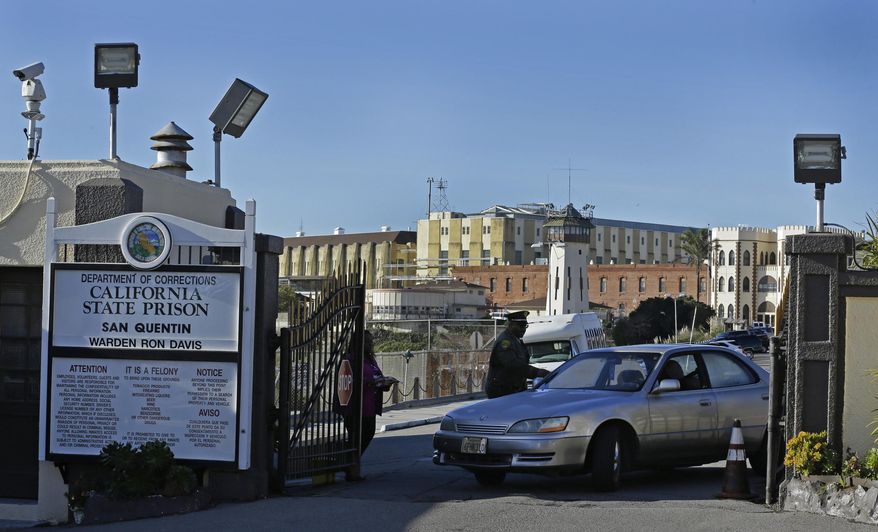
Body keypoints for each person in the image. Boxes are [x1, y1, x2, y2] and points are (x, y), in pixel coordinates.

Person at [344, 330, 397, 480]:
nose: (369, 344)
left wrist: (384, 383)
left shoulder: (370, 360)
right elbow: (349, 381)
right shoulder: (351, 359)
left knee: (367, 434)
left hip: (370, 406)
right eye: (366, 341)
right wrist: (369, 383)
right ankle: (349, 466)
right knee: (356, 437)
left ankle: (351, 465)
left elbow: (376, 377)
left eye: (370, 341)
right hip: (355, 406)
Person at [485, 311, 550, 398]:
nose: (523, 329)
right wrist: (537, 372)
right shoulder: (505, 342)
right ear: (511, 325)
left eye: (525, 326)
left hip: (512, 389)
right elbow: (513, 365)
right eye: (520, 326)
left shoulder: (517, 340)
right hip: (501, 390)